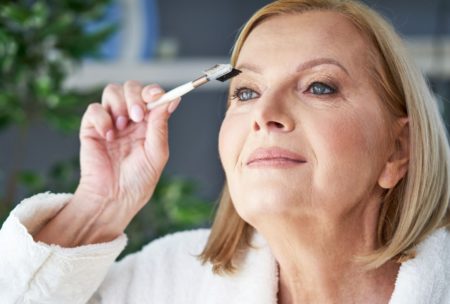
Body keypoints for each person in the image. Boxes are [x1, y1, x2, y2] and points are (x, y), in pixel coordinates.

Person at [1, 0, 449, 303]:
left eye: (319, 86)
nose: (266, 114)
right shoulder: (168, 284)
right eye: (247, 92)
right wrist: (97, 209)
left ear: (398, 150)